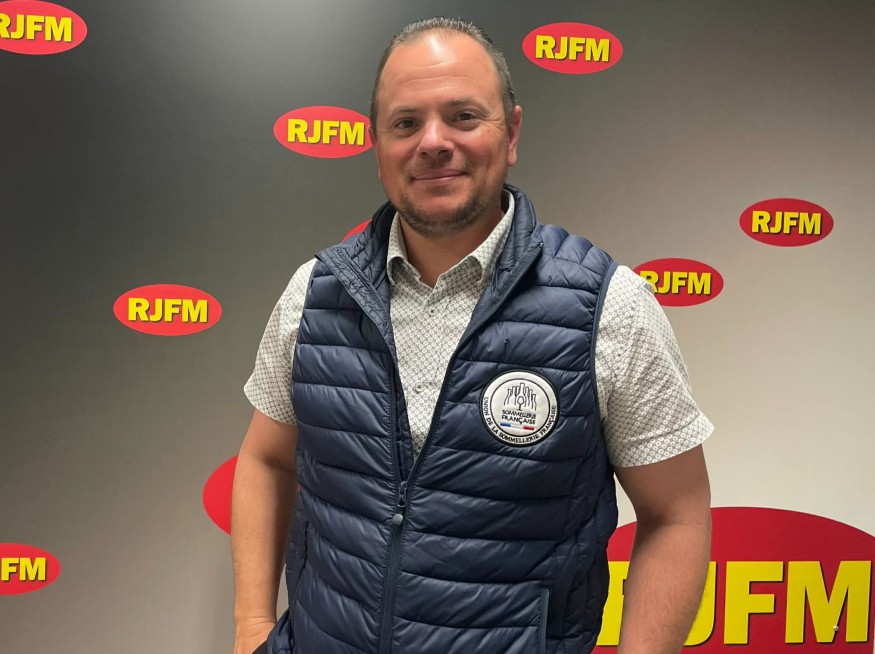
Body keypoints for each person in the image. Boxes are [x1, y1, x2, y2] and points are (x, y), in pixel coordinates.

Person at [232, 17, 712, 654]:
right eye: (406, 123)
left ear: (510, 132)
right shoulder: (315, 294)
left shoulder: (609, 309)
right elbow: (265, 459)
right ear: (378, 146)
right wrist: (251, 626)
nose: (433, 142)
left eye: (462, 116)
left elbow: (677, 515)